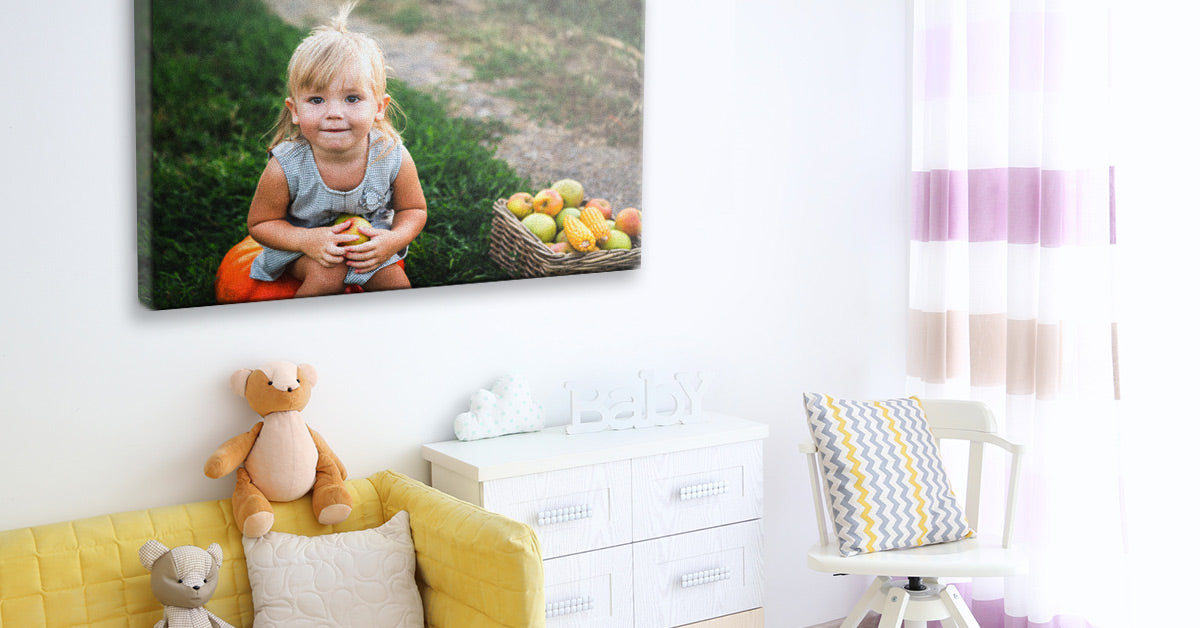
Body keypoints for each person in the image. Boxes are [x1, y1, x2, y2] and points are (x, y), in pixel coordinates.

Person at [247, 1, 426, 297]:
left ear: (379, 107)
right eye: (317, 100)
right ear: (294, 110)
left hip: (367, 249)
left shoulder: (392, 156)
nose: (334, 113)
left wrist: (392, 241)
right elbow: (261, 223)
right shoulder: (285, 167)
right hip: (302, 250)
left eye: (352, 98)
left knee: (396, 284)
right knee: (327, 275)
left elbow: (414, 210)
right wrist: (305, 242)